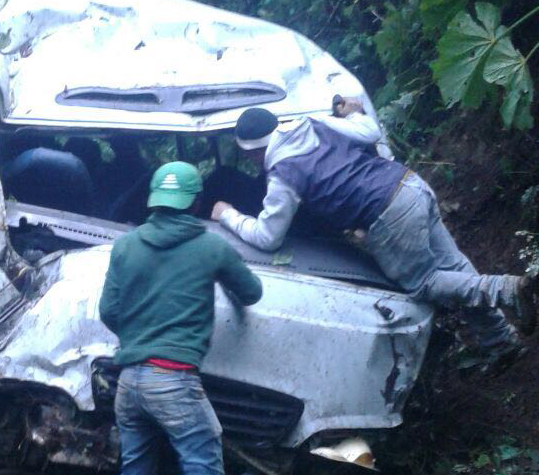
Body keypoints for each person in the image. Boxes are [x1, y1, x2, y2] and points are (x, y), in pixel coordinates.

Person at [211, 106, 538, 364]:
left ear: (254, 151)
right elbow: (368, 130)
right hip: (408, 184)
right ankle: (501, 342)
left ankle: (508, 289)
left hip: (385, 212)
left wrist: (227, 215)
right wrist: (352, 111)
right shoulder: (312, 123)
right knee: (454, 269)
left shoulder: (284, 172)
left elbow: (269, 237)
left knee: (423, 283)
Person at [100, 161, 263, 475]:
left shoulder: (125, 245)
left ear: (153, 200)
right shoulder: (212, 248)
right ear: (197, 202)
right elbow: (252, 292)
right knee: (204, 470)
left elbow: (108, 310)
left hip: (129, 382)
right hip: (173, 380)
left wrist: (139, 336)